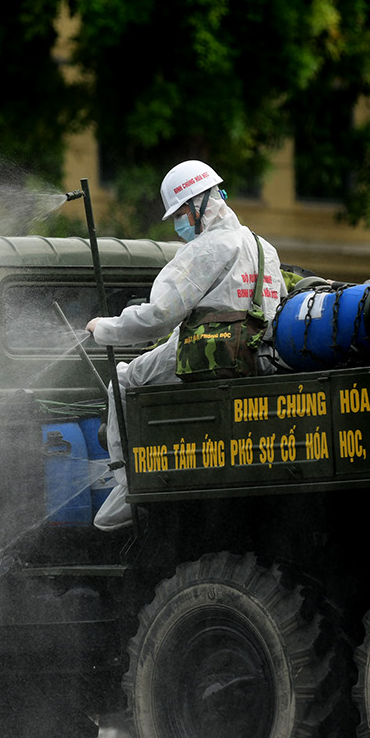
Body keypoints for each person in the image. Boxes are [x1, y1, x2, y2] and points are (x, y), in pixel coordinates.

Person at [86, 160, 283, 530]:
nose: (177, 225)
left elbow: (159, 316)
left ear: (197, 205)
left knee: (122, 383)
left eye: (178, 213)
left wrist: (104, 328)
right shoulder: (263, 247)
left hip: (209, 351)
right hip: (262, 357)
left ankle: (129, 486)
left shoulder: (207, 248)